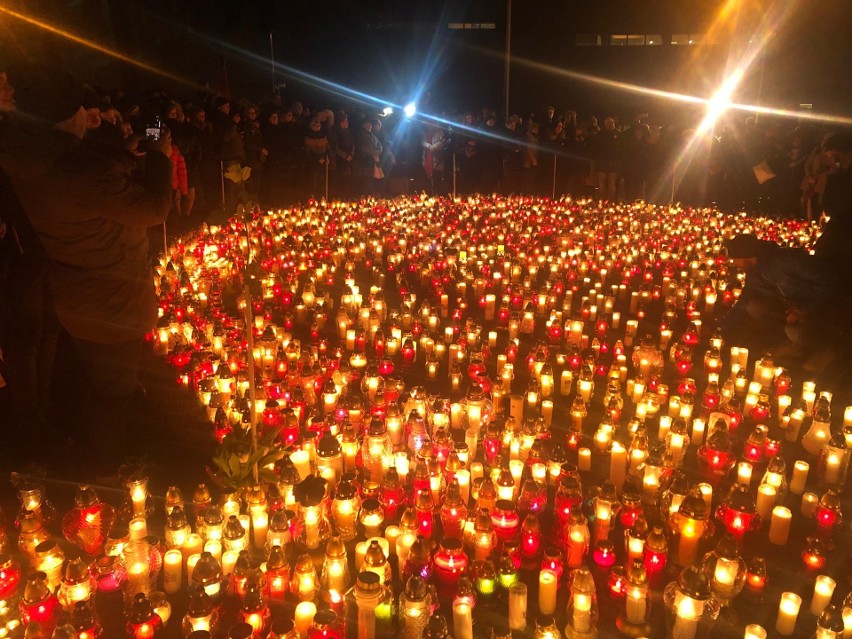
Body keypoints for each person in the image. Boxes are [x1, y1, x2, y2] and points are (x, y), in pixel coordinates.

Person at [0, 65, 173, 472]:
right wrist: (160, 157)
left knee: (102, 383)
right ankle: (110, 468)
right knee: (113, 393)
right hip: (111, 299)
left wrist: (125, 149)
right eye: (82, 110)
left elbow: (90, 183)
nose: (88, 116)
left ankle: (113, 449)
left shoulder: (31, 156)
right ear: (68, 116)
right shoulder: (77, 171)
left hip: (81, 295)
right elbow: (155, 208)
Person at [720, 234, 841, 371]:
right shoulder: (755, 272)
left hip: (821, 309)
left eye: (735, 259)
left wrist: (806, 308)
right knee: (754, 306)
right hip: (793, 307)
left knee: (795, 332)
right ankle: (792, 344)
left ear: (746, 256)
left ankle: (825, 351)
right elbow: (744, 301)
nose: (734, 264)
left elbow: (829, 280)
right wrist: (722, 329)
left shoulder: (787, 261)